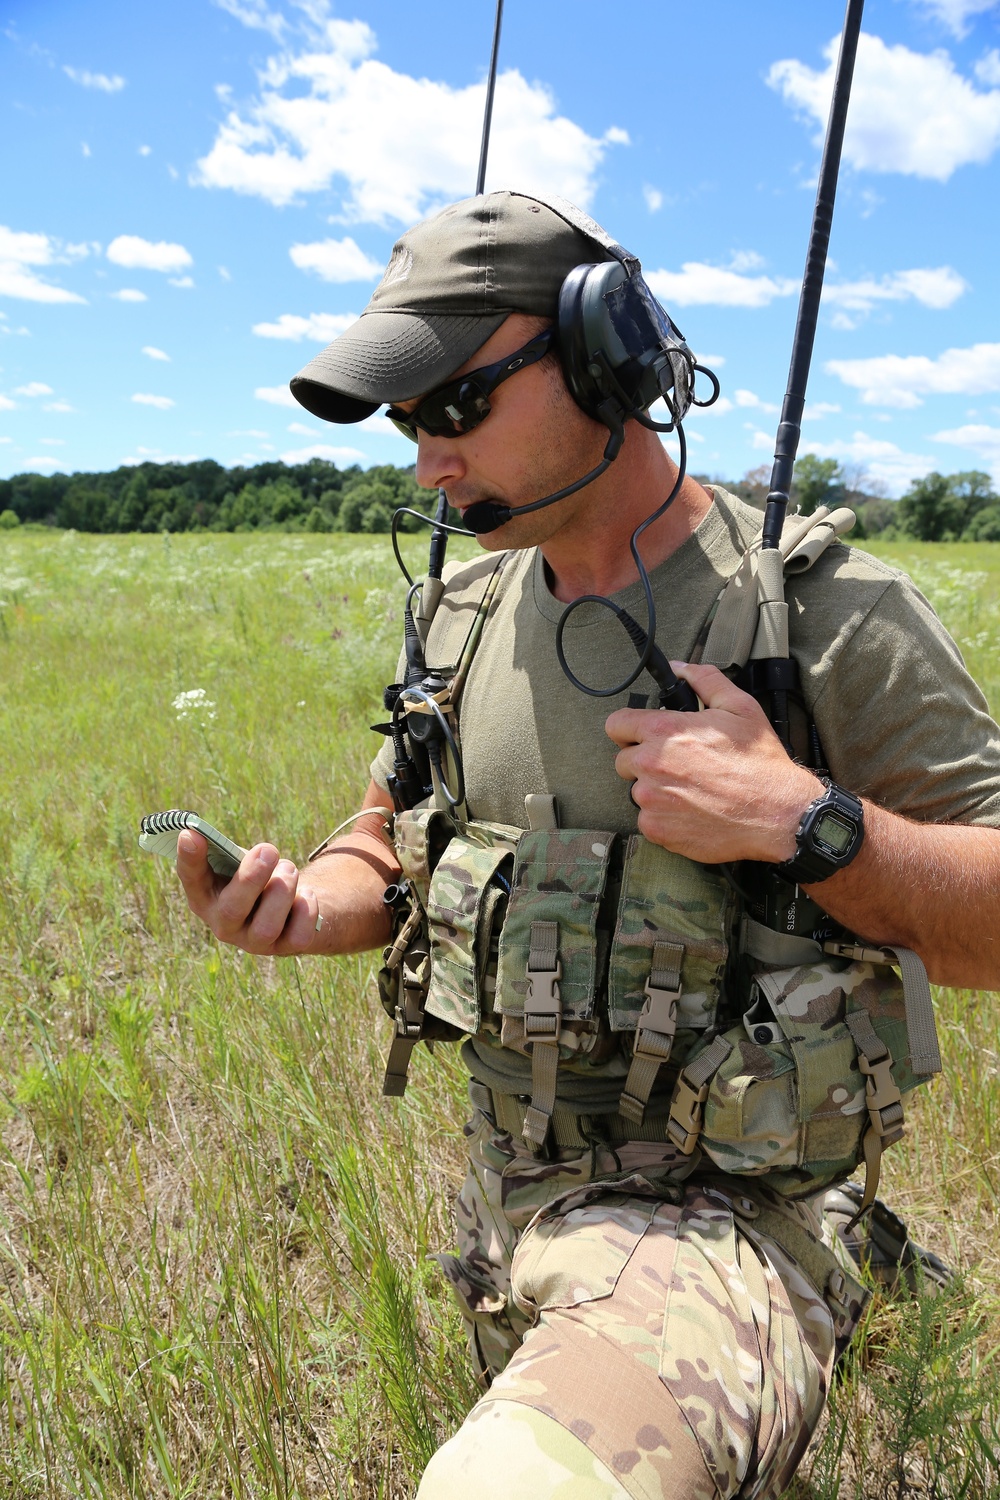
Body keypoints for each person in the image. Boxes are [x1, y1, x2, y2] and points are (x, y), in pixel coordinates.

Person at [177, 191, 1000, 1498]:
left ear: (605, 354)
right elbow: (388, 829)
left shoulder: (821, 615)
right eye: (408, 421)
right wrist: (318, 901)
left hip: (743, 1221)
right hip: (513, 1210)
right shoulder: (455, 611)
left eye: (455, 407)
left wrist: (805, 819)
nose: (427, 464)